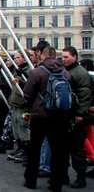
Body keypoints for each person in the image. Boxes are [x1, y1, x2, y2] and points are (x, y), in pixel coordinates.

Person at [23, 46, 71, 192]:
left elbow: (27, 93)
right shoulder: (65, 72)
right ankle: (56, 182)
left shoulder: (37, 72)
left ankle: (30, 180)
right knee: (58, 150)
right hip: (60, 116)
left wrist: (31, 106)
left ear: (41, 55)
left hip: (40, 115)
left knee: (35, 148)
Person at [62, 46, 92, 188]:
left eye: (66, 57)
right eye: (62, 57)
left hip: (75, 116)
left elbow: (85, 95)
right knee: (64, 147)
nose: (64, 59)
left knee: (77, 148)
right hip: (65, 114)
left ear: (74, 56)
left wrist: (80, 113)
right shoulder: (65, 71)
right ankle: (64, 176)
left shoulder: (80, 73)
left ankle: (81, 177)